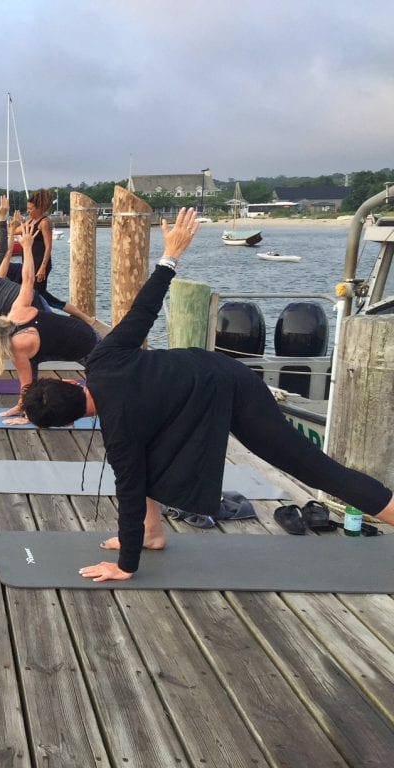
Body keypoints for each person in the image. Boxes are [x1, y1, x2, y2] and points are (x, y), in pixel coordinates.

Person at [21, 207, 394, 582]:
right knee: (145, 462)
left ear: (68, 421)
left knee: (310, 467)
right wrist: (170, 255)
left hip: (233, 390)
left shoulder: (119, 433)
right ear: (70, 383)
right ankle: (153, 533)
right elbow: (143, 311)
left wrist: (125, 567)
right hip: (214, 378)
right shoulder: (103, 358)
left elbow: (129, 494)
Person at [0, 218, 98, 422]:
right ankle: (22, 407)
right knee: (32, 361)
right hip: (73, 333)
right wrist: (26, 247)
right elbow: (28, 280)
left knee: (97, 401)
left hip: (90, 348)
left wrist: (29, 414)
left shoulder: (17, 344)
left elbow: (26, 385)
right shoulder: (15, 313)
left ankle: (26, 410)